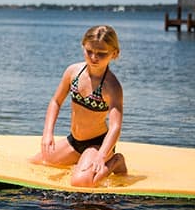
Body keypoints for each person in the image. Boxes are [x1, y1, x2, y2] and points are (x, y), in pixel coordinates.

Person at [30, 25, 128, 187]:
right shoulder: (73, 72)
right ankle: (82, 160)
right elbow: (56, 101)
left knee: (80, 183)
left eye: (101, 54)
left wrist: (101, 155)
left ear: (114, 54)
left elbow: (115, 126)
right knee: (36, 162)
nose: (94, 57)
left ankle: (116, 161)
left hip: (98, 144)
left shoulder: (112, 86)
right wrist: (48, 133)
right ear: (83, 46)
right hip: (74, 141)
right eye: (89, 51)